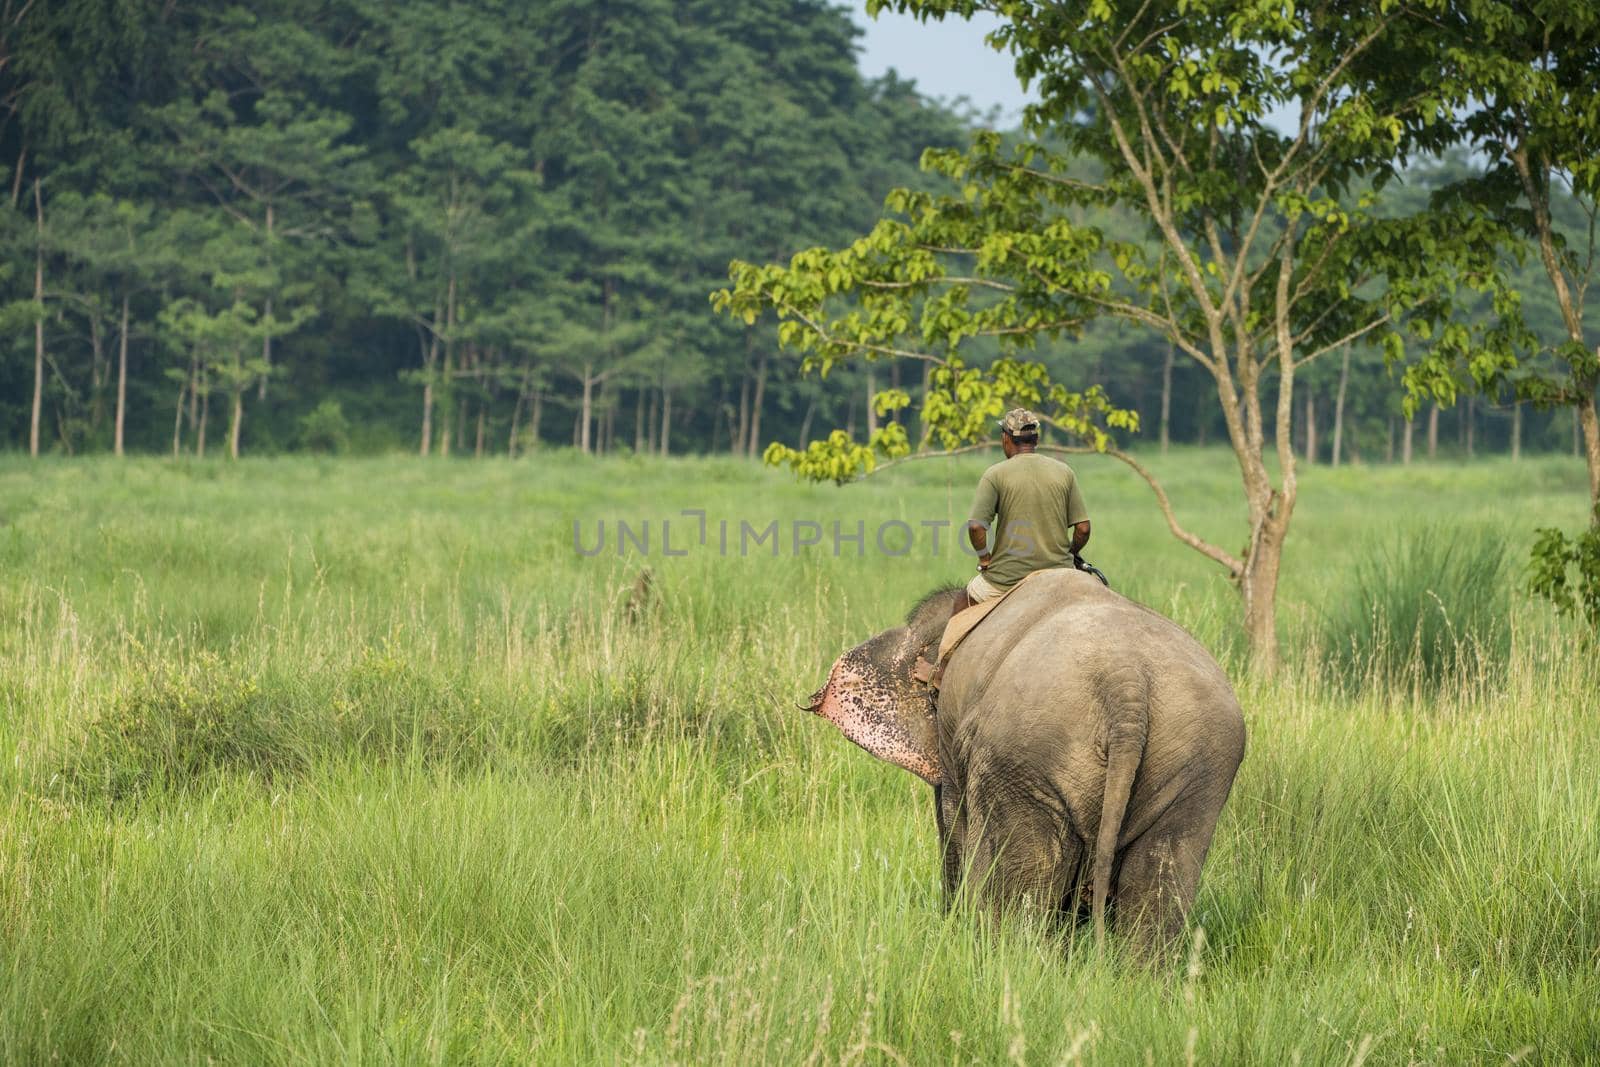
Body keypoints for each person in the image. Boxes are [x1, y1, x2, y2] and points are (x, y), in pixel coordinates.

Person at [964, 408, 1091, 604]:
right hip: (1060, 574)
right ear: (1036, 440)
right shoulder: (1064, 472)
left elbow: (975, 527)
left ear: (1005, 439)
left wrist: (984, 559)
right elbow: (1083, 529)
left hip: (1007, 580)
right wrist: (1071, 553)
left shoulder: (995, 474)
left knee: (961, 603)